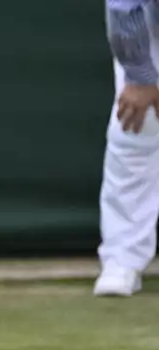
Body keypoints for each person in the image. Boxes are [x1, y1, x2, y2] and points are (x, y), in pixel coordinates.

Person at [98, 1, 159, 296]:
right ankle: (123, 258)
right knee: (137, 130)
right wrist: (140, 77)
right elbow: (125, 4)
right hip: (151, 31)